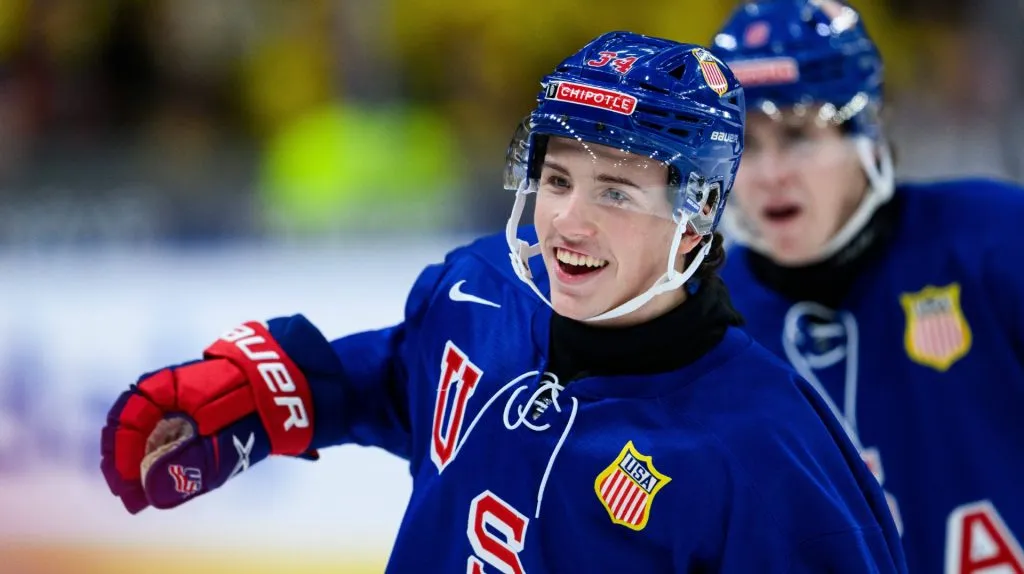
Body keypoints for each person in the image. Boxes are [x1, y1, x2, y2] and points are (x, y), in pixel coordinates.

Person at [100, 31, 906, 572]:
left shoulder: (767, 453)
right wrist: (267, 396)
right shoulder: (480, 292)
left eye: (616, 193)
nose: (569, 221)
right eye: (556, 180)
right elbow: (401, 379)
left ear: (695, 218)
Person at [710, 1, 1024, 572]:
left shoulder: (997, 242)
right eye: (746, 145)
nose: (771, 173)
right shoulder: (702, 323)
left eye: (799, 135)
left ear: (868, 132)